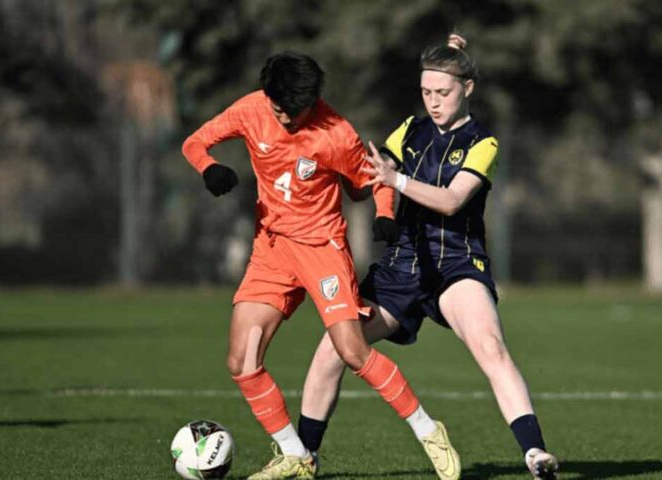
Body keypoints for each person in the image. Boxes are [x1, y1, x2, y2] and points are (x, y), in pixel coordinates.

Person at [181, 52, 460, 480]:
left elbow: (373, 181)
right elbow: (194, 142)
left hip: (322, 250)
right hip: (271, 250)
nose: (285, 119)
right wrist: (209, 168)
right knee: (242, 361)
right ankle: (297, 457)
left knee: (352, 351)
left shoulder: (336, 133)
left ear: (312, 102)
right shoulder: (251, 108)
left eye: (294, 112)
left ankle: (428, 431)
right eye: (278, 109)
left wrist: (385, 213)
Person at [297, 34, 560, 479]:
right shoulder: (410, 129)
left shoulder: (484, 143)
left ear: (468, 88)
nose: (433, 102)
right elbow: (373, 173)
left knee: (491, 347)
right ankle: (304, 456)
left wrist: (394, 181)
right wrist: (333, 166)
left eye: (443, 92)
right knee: (333, 349)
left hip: (456, 265)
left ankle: (535, 453)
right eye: (426, 92)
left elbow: (452, 200)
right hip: (401, 267)